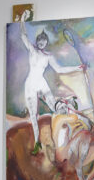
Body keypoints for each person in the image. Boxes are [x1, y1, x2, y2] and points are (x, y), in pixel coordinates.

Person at [19, 10, 84, 155]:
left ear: (46, 43)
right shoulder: (32, 50)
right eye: (40, 40)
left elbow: (60, 69)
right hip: (30, 85)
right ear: (37, 41)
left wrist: (77, 68)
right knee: (34, 116)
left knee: (55, 107)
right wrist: (22, 19)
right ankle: (37, 143)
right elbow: (23, 35)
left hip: (41, 83)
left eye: (44, 41)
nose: (42, 43)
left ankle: (66, 130)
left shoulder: (48, 56)